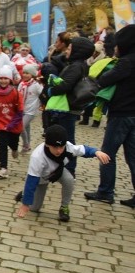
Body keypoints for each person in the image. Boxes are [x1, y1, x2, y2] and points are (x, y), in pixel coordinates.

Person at [85, 24, 135, 207]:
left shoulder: (127, 62)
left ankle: (106, 192)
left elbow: (105, 80)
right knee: (133, 157)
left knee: (107, 153)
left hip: (121, 113)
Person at [17, 124, 110, 223]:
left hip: (58, 171)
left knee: (69, 179)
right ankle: (23, 195)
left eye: (62, 147)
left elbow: (83, 150)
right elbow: (31, 182)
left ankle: (64, 208)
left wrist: (96, 152)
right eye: (55, 147)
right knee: (35, 208)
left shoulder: (68, 147)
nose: (59, 151)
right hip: (41, 178)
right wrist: (26, 203)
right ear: (47, 145)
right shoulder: (37, 157)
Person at [44, 36, 95, 176]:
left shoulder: (76, 66)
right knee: (65, 138)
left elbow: (66, 85)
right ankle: (62, 167)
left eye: (70, 48)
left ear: (77, 51)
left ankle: (68, 169)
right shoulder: (76, 64)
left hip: (66, 108)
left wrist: (51, 90)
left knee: (67, 141)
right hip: (66, 107)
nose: (67, 50)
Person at [18, 64, 43, 153]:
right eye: (24, 73)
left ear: (32, 75)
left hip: (31, 110)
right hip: (22, 109)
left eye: (27, 73)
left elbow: (42, 94)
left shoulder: (36, 85)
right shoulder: (21, 84)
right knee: (26, 127)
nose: (25, 75)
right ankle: (27, 145)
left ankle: (26, 144)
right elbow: (18, 96)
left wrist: (42, 105)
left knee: (20, 127)